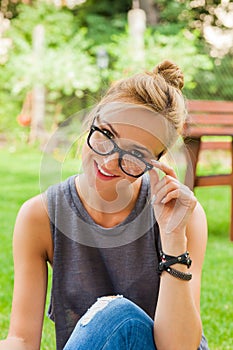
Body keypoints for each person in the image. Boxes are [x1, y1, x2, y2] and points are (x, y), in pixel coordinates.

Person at [0, 60, 209, 350]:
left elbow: (179, 347)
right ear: (90, 122)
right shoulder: (40, 216)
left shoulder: (183, 216)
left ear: (156, 163)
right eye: (106, 135)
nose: (110, 162)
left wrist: (173, 237)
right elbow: (21, 339)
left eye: (136, 153)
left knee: (117, 314)